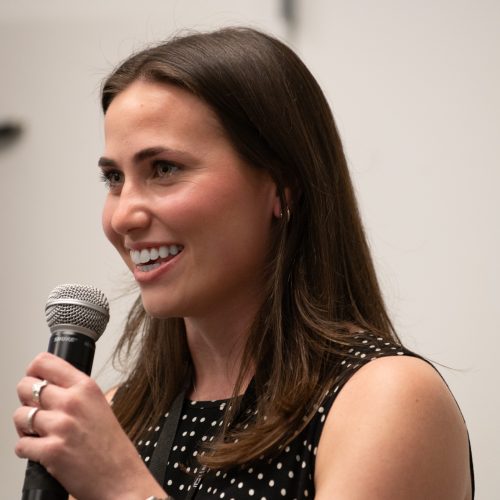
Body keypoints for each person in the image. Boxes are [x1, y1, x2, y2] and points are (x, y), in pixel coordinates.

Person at [14, 27, 474, 499]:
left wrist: (121, 487)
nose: (123, 216)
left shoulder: (387, 399)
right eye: (114, 178)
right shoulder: (118, 418)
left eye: (164, 169)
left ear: (282, 186)